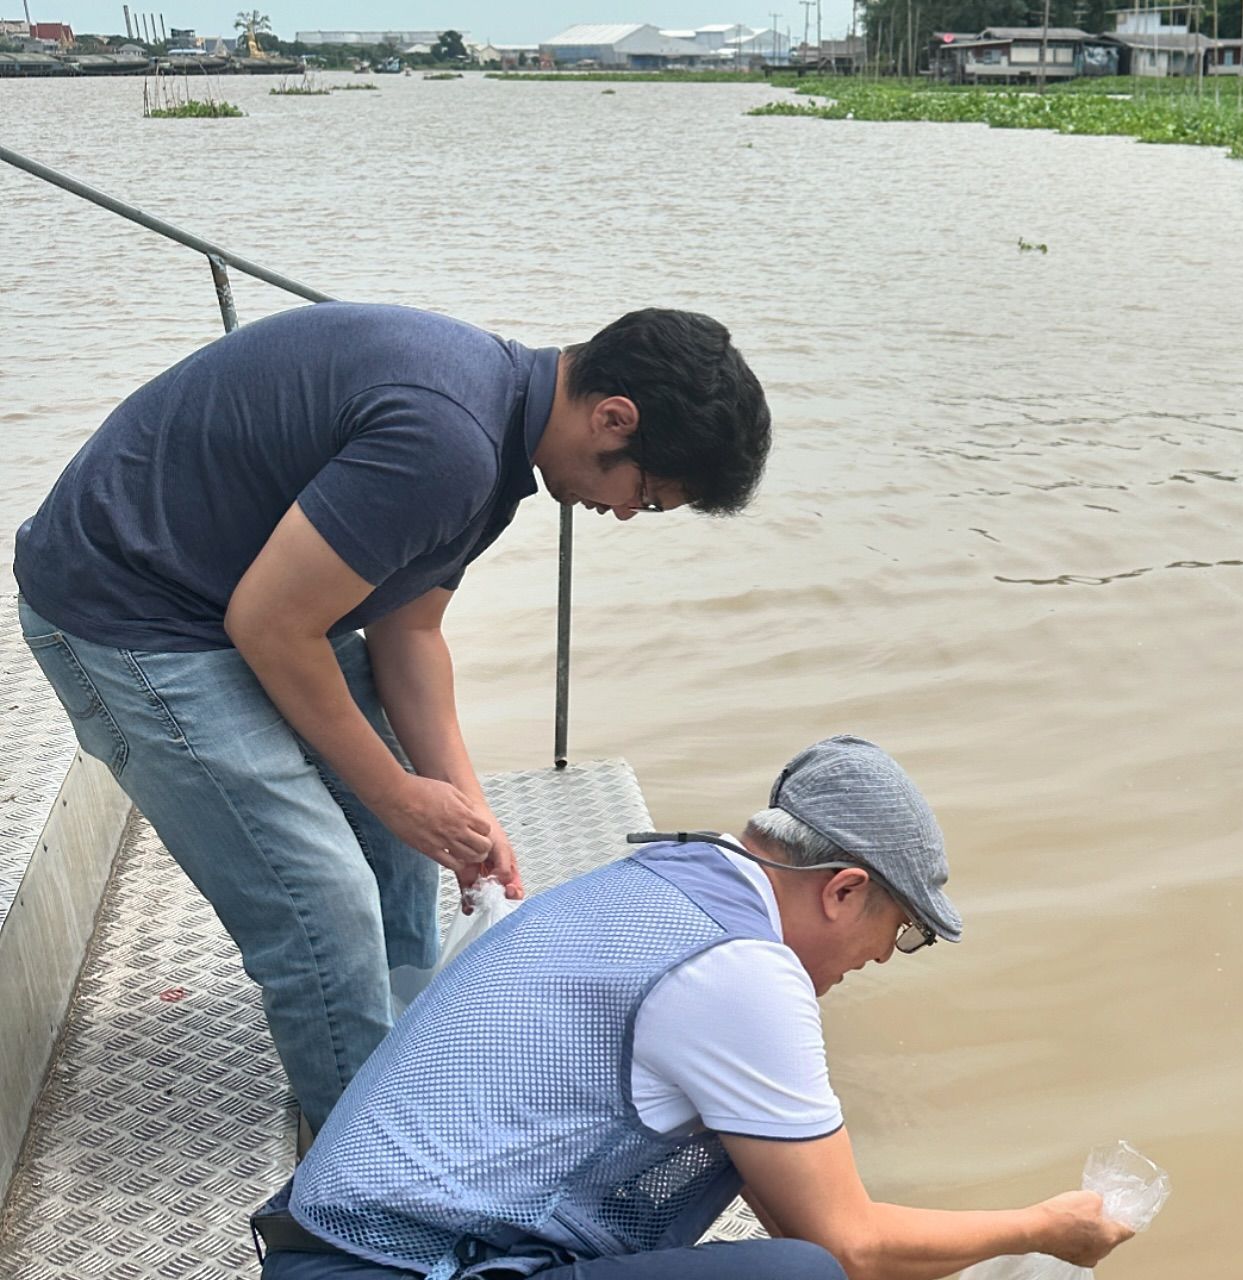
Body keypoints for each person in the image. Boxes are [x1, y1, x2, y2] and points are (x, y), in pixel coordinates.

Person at [249, 735, 1134, 1280]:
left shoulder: (650, 890)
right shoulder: (743, 972)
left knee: (761, 1247)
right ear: (844, 889)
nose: (878, 959)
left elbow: (783, 1180)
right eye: (899, 932)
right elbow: (844, 1241)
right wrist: (1041, 1228)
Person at [13, 303, 770, 1132]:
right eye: (648, 495)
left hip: (231, 593)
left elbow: (409, 632)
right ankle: (360, 1166)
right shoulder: (447, 444)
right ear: (614, 418)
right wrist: (397, 794)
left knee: (406, 849)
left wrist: (462, 806)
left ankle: (394, 1058)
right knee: (323, 902)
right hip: (128, 610)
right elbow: (270, 627)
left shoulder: (496, 441)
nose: (627, 514)